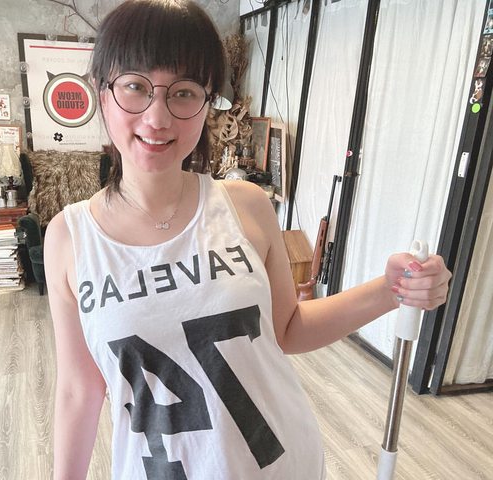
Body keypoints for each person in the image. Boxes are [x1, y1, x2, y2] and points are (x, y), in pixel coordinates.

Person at [44, 1, 452, 479]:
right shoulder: (70, 238)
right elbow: (79, 390)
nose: (157, 118)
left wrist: (391, 289)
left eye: (183, 92)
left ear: (207, 103)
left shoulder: (246, 207)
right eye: (135, 86)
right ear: (102, 92)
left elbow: (289, 328)